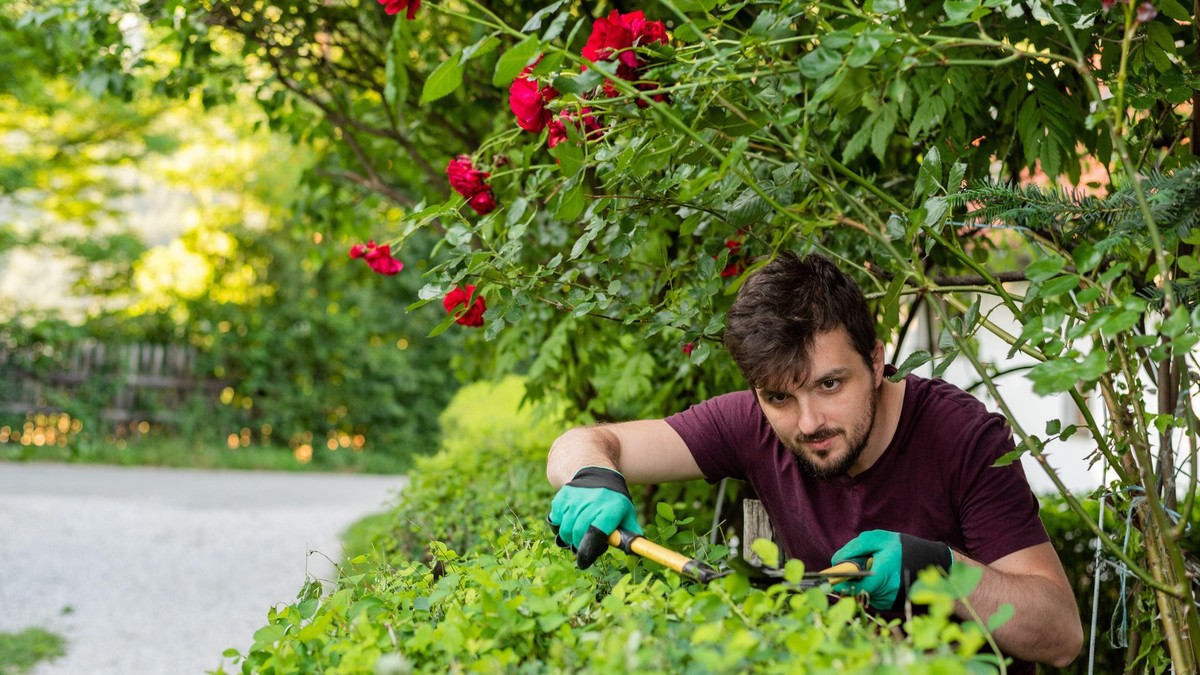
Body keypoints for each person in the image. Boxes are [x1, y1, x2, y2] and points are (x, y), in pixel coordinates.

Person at [546, 251, 1083, 671]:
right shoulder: (752, 423)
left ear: (875, 361)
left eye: (830, 384)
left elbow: (1062, 634)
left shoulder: (962, 438)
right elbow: (581, 442)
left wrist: (939, 571)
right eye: (779, 397)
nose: (808, 423)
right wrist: (594, 474)